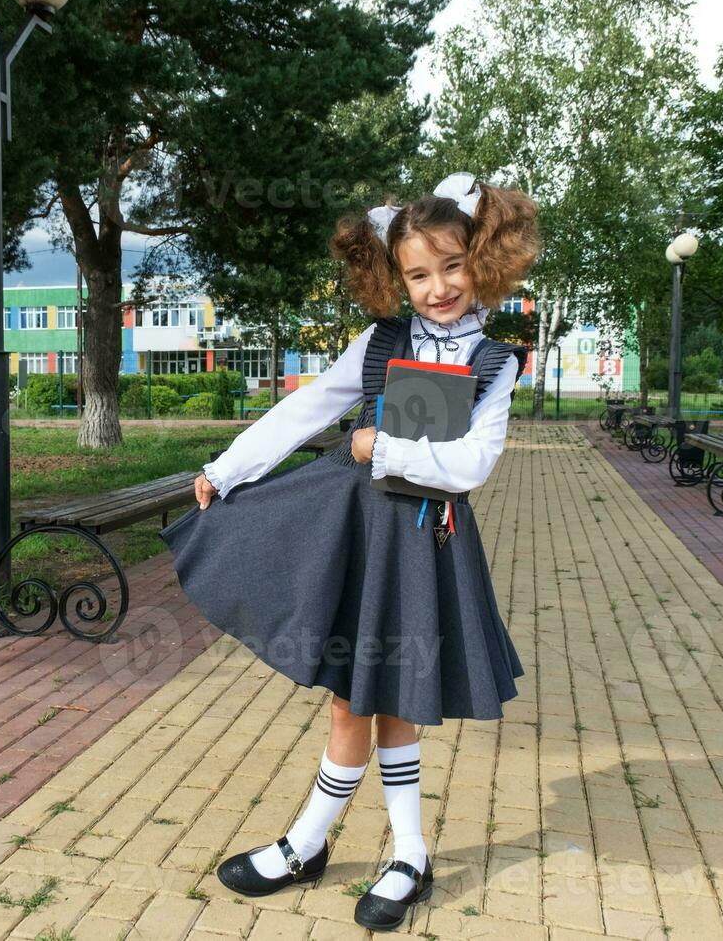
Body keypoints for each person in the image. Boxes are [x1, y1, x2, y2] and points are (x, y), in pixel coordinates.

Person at [158, 172, 541, 931]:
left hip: (424, 545)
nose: (437, 288)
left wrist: (381, 446)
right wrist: (226, 469)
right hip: (353, 538)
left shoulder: (498, 362)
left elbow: (469, 467)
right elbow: (307, 409)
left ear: (483, 260)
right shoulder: (381, 342)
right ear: (396, 277)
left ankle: (397, 853)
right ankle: (324, 843)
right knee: (350, 699)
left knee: (395, 701)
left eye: (452, 267)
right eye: (418, 274)